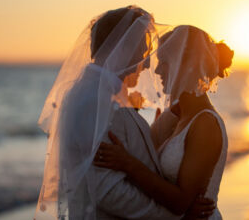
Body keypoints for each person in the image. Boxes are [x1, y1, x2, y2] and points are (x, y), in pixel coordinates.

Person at [35, 7, 214, 220]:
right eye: (142, 52)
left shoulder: (101, 94)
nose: (147, 63)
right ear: (123, 47)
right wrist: (173, 216)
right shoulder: (91, 100)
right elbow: (107, 191)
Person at [94, 25, 234, 219]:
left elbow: (180, 203)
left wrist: (127, 163)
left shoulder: (206, 125)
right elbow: (147, 158)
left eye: (165, 62)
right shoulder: (173, 117)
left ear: (188, 66)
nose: (158, 70)